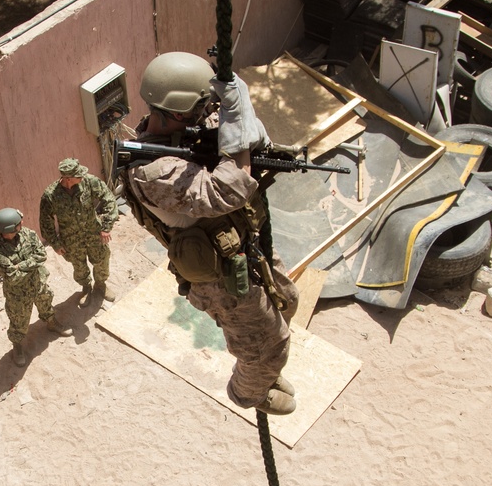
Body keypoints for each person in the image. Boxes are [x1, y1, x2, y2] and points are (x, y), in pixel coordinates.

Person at [121, 51, 299, 416]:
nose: (210, 112)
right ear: (178, 112)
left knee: (288, 300)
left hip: (245, 244)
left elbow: (250, 135)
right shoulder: (153, 172)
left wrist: (240, 109)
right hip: (219, 277)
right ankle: (249, 392)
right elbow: (228, 190)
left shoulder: (187, 127)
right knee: (268, 346)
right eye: (202, 106)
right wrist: (238, 136)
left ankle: (263, 368)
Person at [0, 207, 73, 366]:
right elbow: (13, 278)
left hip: (38, 283)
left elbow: (41, 255)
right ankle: (17, 345)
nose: (22, 223)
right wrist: (30, 265)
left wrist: (20, 266)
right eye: (18, 223)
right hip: (18, 294)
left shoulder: (28, 234)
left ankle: (51, 323)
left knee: (46, 304)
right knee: (18, 321)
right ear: (8, 229)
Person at [39, 158, 119, 307]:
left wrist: (106, 226)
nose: (82, 175)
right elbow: (46, 223)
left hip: (94, 233)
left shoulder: (89, 182)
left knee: (102, 259)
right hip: (71, 239)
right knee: (79, 266)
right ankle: (86, 288)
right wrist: (55, 244)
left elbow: (108, 199)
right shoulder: (50, 195)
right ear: (68, 178)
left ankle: (101, 285)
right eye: (78, 175)